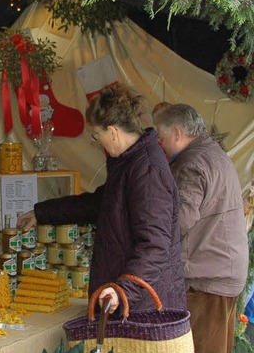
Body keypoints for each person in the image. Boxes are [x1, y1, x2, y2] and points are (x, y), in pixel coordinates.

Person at [17, 83, 186, 313]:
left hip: (141, 308)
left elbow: (154, 245)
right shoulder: (129, 163)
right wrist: (41, 212)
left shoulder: (146, 171)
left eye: (97, 135)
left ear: (113, 132)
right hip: (129, 301)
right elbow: (98, 204)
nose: (97, 143)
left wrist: (123, 290)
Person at [153, 103, 248, 353]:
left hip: (207, 280)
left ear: (178, 133)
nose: (160, 146)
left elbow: (176, 222)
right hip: (220, 274)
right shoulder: (213, 153)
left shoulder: (191, 163)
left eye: (162, 138)